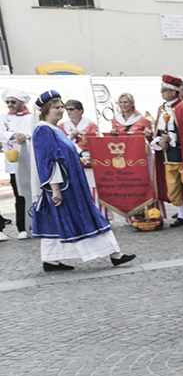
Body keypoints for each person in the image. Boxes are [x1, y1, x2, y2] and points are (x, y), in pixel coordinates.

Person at [31, 90, 135, 272]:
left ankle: (51, 260)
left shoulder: (55, 129)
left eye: (62, 107)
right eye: (56, 108)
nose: (61, 110)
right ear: (46, 110)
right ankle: (114, 253)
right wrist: (55, 188)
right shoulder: (43, 130)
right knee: (85, 216)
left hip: (73, 185)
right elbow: (48, 161)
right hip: (65, 187)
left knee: (59, 221)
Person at [150, 74, 183, 228]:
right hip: (168, 156)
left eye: (164, 90)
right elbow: (158, 131)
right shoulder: (161, 109)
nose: (162, 93)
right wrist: (160, 140)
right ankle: (180, 215)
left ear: (173, 92)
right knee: (173, 188)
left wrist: (172, 139)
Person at [1, 90, 34, 240]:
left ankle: (39, 223)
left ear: (22, 102)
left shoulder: (32, 118)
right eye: (7, 102)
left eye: (13, 102)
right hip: (14, 163)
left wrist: (26, 136)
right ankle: (22, 227)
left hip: (33, 162)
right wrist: (13, 135)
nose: (10, 105)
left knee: (37, 194)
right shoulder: (3, 118)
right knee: (20, 195)